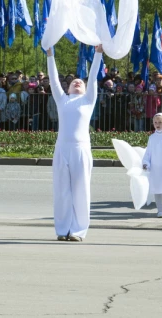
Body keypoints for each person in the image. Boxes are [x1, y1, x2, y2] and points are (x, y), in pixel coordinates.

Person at [47, 44, 103, 242]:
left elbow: (93, 76)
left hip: (81, 149)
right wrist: (50, 55)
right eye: (74, 82)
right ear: (68, 87)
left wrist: (97, 53)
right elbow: (53, 79)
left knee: (81, 191)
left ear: (86, 88)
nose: (77, 83)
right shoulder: (63, 99)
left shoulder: (88, 100)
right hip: (62, 149)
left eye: (81, 82)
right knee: (62, 191)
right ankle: (62, 230)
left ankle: (78, 231)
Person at [142, 113, 162, 218]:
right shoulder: (152, 138)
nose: (157, 124)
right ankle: (160, 210)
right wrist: (146, 163)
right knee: (157, 189)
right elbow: (148, 152)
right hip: (156, 168)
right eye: (155, 122)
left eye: (160, 122)